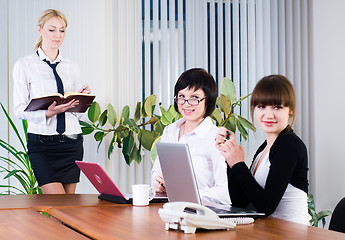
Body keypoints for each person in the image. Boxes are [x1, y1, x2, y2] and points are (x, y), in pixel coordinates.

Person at [13, 9, 91, 194]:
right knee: (57, 204)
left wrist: (81, 98)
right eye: (52, 30)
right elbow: (19, 109)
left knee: (68, 210)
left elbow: (77, 111)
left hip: (71, 142)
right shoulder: (24, 65)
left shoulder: (72, 66)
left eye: (62, 30)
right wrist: (49, 113)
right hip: (42, 144)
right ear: (40, 30)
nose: (58, 35)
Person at [216, 74, 310, 224]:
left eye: (277, 107)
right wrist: (230, 157)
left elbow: (265, 206)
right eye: (261, 106)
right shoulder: (264, 148)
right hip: (268, 230)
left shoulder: (289, 145)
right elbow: (241, 203)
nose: (268, 114)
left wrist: (238, 164)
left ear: (290, 110)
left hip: (292, 232)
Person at [151, 68, 231, 205]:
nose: (186, 104)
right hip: (170, 209)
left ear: (208, 99)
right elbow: (156, 172)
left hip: (204, 213)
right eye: (181, 97)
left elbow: (226, 193)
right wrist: (159, 187)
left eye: (194, 98)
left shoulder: (217, 138)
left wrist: (188, 194)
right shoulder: (170, 131)